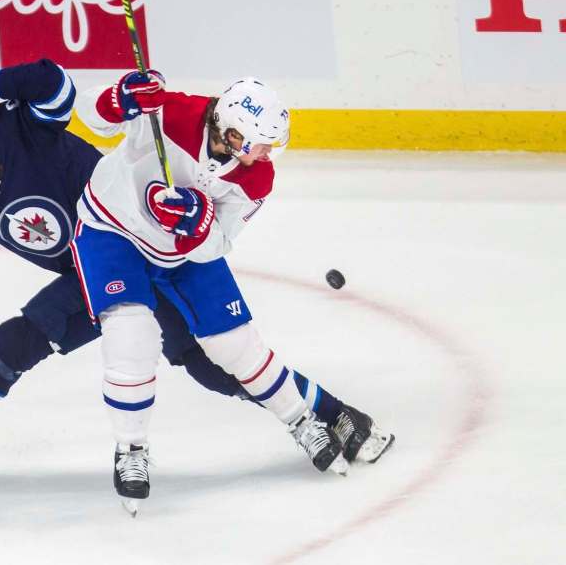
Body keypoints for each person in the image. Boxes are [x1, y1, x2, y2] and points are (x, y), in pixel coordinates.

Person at [0, 58, 392, 502]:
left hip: (144, 238)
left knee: (212, 364)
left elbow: (53, 83)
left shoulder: (23, 130)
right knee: (15, 343)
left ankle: (330, 413)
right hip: (99, 270)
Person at [71, 70, 394, 511]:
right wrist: (118, 98)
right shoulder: (171, 111)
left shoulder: (257, 176)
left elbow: (218, 243)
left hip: (181, 253)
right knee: (132, 334)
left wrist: (194, 223)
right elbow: (91, 114)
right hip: (112, 230)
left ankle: (301, 420)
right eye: (260, 142)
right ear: (232, 129)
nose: (265, 154)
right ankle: (131, 449)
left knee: (236, 344)